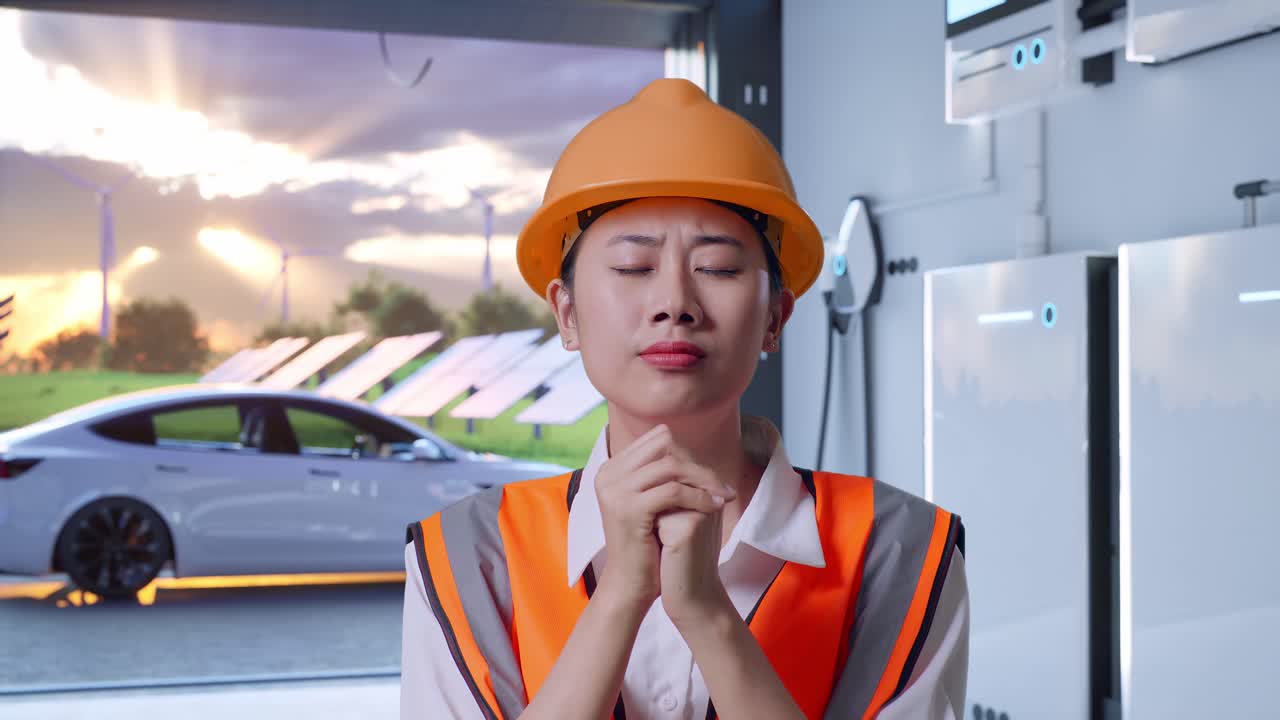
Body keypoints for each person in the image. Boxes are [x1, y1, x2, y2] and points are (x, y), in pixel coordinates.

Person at [401, 78, 968, 720]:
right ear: (567, 314)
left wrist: (705, 614)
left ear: (776, 318)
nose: (675, 302)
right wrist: (620, 596)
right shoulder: (472, 554)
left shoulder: (898, 549)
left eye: (719, 268)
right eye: (633, 268)